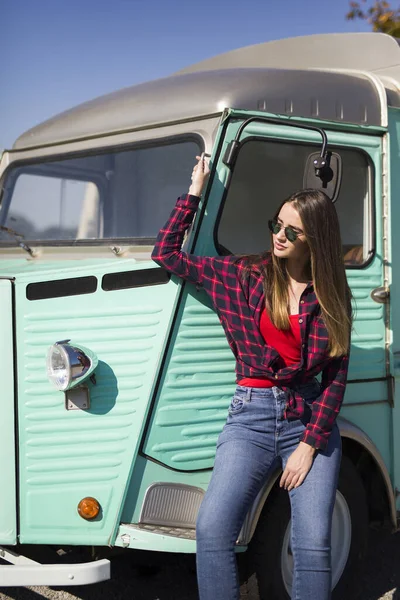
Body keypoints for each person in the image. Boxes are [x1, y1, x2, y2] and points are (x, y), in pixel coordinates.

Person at [151, 154, 352, 600]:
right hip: (251, 417)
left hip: (309, 419)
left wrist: (309, 445)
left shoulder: (333, 294)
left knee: (313, 543)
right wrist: (195, 192)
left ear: (314, 239)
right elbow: (164, 254)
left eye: (291, 231)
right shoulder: (243, 274)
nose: (279, 236)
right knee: (213, 529)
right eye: (275, 224)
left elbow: (336, 377)